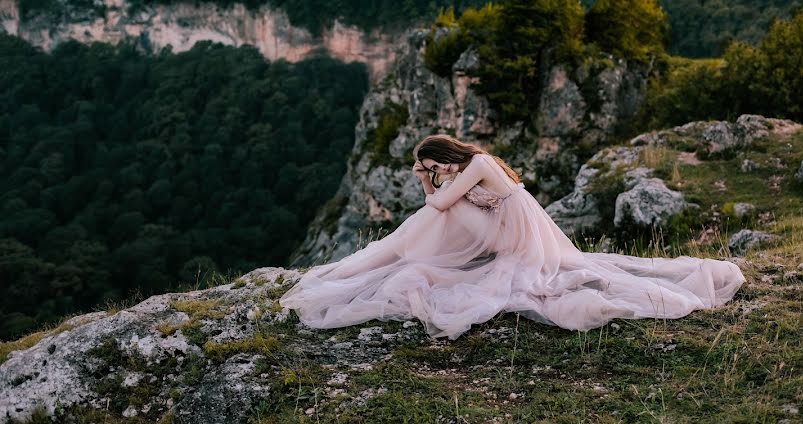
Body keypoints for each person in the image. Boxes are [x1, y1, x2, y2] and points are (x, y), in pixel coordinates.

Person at [279, 134, 746, 340]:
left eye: (435, 164)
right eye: (431, 168)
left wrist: (429, 182)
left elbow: (440, 204)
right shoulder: (463, 172)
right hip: (504, 234)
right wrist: (429, 180)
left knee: (442, 212)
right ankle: (396, 253)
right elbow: (439, 202)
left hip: (516, 241)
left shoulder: (477, 164)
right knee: (438, 215)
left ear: (446, 155)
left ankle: (392, 255)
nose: (437, 172)